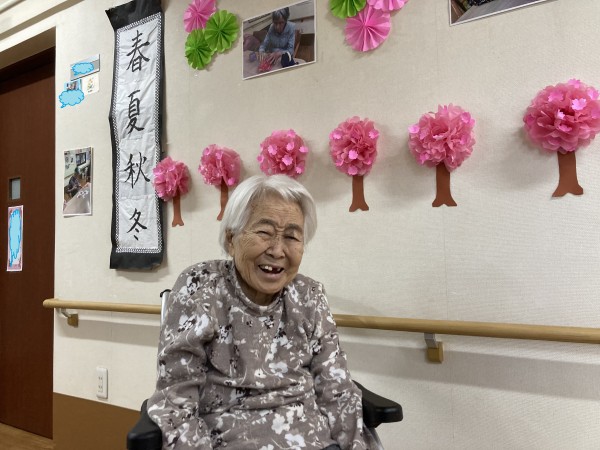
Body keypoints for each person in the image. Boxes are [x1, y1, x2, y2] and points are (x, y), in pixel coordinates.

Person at [147, 175, 373, 450]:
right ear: (231, 239)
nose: (278, 250)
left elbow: (336, 388)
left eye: (291, 236)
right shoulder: (200, 288)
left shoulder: (309, 296)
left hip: (315, 441)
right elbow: (175, 401)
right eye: (264, 232)